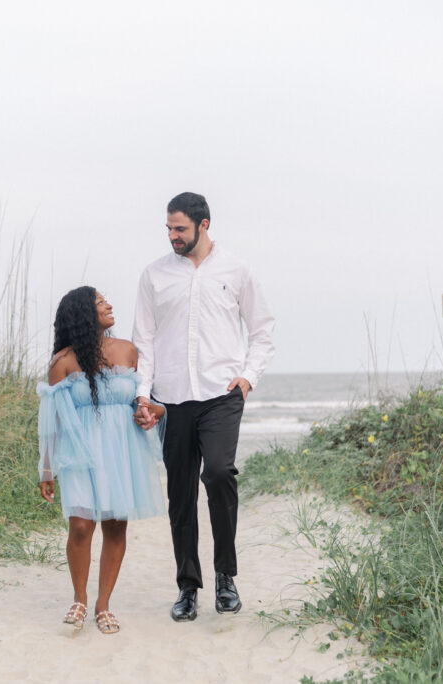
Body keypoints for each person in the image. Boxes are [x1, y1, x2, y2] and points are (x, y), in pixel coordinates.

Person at [132, 192, 275, 622]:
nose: (173, 236)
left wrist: (247, 378)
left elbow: (264, 329)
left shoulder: (237, 270)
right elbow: (145, 340)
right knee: (180, 496)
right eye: (169, 229)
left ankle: (225, 576)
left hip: (221, 394)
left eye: (180, 229)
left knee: (217, 473)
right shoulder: (154, 275)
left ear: (204, 224)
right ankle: (187, 587)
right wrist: (144, 394)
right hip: (172, 401)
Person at [37, 286, 166, 635]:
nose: (109, 304)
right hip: (80, 453)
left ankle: (102, 604)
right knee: (80, 526)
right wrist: (46, 469)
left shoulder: (128, 350)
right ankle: (79, 597)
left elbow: (150, 400)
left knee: (115, 525)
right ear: (82, 313)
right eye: (99, 302)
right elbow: (52, 422)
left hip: (123, 450)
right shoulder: (63, 362)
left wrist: (154, 410)